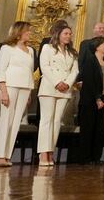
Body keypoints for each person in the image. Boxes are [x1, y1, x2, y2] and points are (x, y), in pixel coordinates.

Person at [0, 21, 35, 167]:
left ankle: (7, 155)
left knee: (16, 122)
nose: (30, 33)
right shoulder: (7, 48)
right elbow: (1, 70)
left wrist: (29, 92)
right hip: (10, 86)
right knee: (6, 119)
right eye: (27, 31)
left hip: (25, 87)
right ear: (18, 32)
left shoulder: (30, 50)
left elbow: (30, 71)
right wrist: (3, 91)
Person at [37, 25, 78, 166]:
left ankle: (51, 152)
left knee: (56, 122)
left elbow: (74, 71)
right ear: (58, 34)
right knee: (46, 120)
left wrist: (67, 83)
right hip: (49, 87)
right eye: (66, 33)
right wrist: (57, 82)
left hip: (65, 89)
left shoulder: (72, 52)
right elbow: (45, 66)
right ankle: (43, 153)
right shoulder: (47, 48)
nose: (68, 36)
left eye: (70, 34)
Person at [78, 36, 104, 164]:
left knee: (99, 130)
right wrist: (97, 98)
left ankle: (95, 157)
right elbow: (89, 82)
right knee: (88, 128)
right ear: (97, 46)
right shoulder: (89, 61)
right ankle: (85, 157)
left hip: (103, 100)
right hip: (90, 100)